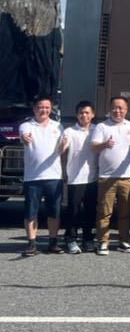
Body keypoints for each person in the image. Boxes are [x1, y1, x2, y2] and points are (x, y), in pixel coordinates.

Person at [92, 96, 130, 255]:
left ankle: (123, 241)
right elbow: (94, 147)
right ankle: (102, 242)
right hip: (106, 176)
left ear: (126, 110)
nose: (117, 111)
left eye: (121, 108)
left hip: (126, 176)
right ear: (109, 109)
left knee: (125, 212)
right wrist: (105, 144)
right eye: (114, 107)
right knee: (104, 211)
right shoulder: (101, 126)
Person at [19, 94, 64, 256]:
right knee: (31, 212)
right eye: (40, 107)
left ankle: (53, 242)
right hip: (33, 177)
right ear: (34, 109)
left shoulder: (58, 126)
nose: (43, 110)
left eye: (47, 107)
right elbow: (24, 137)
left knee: (54, 212)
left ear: (51, 109)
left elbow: (60, 150)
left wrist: (64, 145)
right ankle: (31, 243)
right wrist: (25, 138)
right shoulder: (26, 126)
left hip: (54, 177)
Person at [60, 100, 98, 254]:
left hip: (93, 177)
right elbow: (62, 151)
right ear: (77, 114)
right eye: (81, 112)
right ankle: (71, 239)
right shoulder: (69, 131)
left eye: (87, 112)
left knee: (90, 210)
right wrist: (63, 171)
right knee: (73, 210)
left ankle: (88, 239)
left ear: (92, 115)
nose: (84, 115)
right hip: (75, 177)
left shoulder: (97, 130)